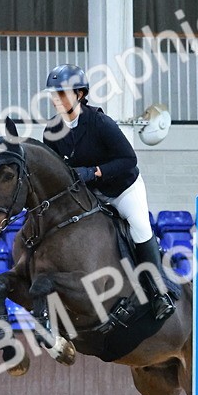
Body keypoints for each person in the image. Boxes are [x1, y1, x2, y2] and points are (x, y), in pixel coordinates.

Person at [40, 63, 175, 321]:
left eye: (62, 94)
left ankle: (159, 293)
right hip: (88, 195)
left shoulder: (100, 123)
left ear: (79, 95)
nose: (56, 99)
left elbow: (128, 159)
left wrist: (94, 172)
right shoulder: (51, 131)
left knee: (139, 226)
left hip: (121, 188)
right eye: (53, 94)